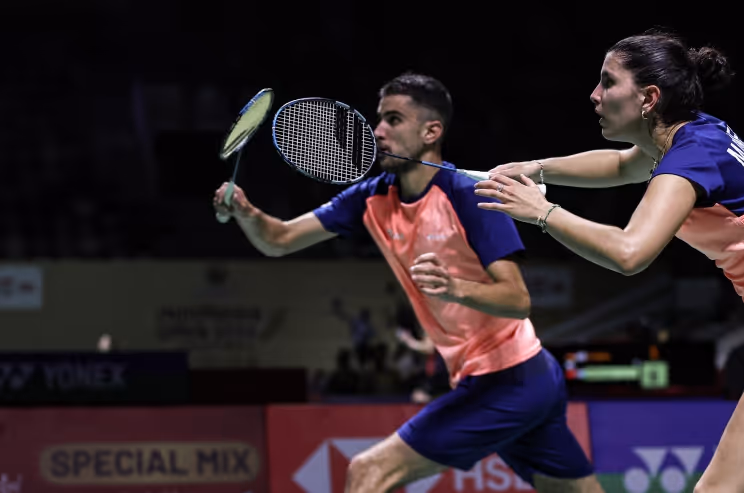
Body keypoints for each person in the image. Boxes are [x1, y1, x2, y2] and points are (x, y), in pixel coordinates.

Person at [476, 29, 744, 492]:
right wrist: (537, 168)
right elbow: (622, 166)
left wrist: (542, 213)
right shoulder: (699, 133)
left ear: (649, 98)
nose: (594, 94)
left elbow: (629, 252)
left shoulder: (689, 160)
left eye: (608, 81)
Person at [212, 73, 602, 493]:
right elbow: (280, 239)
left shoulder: (469, 195)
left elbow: (517, 299)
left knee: (368, 472)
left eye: (394, 120)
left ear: (431, 132)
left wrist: (454, 287)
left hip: (510, 377)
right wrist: (248, 214)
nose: (378, 130)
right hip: (512, 377)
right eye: (379, 118)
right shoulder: (371, 197)